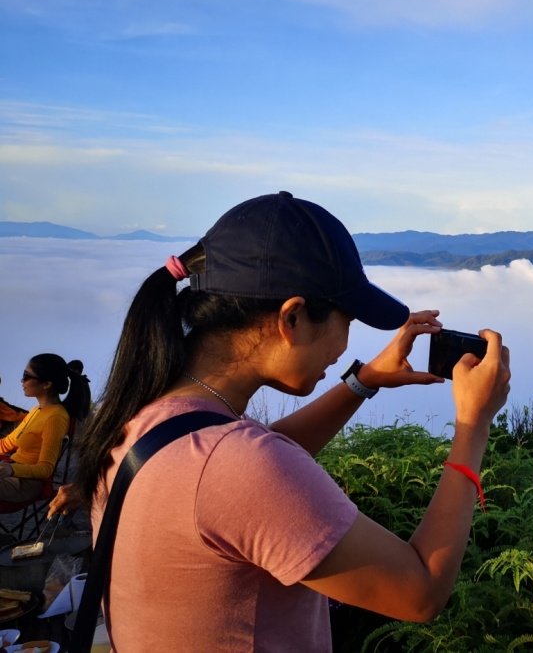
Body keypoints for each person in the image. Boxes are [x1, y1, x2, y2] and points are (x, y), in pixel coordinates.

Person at [73, 191, 511, 651]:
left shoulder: (148, 419)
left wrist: (365, 381)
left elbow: (248, 469)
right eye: (348, 321)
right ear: (293, 317)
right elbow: (420, 592)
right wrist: (473, 424)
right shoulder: (234, 466)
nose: (344, 345)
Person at [0, 353, 85, 501]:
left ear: (46, 384)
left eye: (26, 376)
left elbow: (45, 470)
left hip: (24, 483)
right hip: (9, 471)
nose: (22, 381)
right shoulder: (36, 411)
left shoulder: (56, 417)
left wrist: (12, 469)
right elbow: (7, 443)